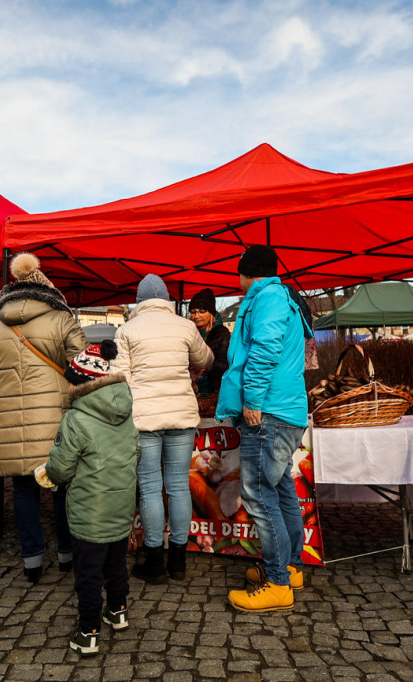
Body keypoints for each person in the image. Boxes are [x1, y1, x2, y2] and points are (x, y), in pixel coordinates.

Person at [216, 245, 308, 612]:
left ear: (246, 273)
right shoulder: (282, 296)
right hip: (284, 411)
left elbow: (265, 350)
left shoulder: (267, 297)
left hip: (268, 411)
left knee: (257, 493)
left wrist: (252, 399)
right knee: (281, 487)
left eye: (239, 275)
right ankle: (290, 566)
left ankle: (277, 583)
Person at [35, 341, 139, 657]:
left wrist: (46, 473)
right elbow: (135, 451)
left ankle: (89, 631)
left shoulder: (76, 419)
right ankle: (118, 612)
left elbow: (62, 467)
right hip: (121, 506)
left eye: (70, 378)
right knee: (116, 565)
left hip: (89, 513)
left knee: (89, 574)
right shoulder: (125, 414)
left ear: (81, 383)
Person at [0, 253, 87, 583]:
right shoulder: (60, 317)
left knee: (23, 489)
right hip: (54, 416)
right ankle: (66, 554)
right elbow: (83, 365)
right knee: (60, 485)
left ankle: (31, 560)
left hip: (11, 416)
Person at [112, 274, 213, 584]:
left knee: (151, 486)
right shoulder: (185, 326)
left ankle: (154, 562)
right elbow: (206, 359)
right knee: (180, 485)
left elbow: (119, 377)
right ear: (167, 300)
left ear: (140, 302)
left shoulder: (126, 329)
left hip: (144, 419)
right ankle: (179, 562)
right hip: (182, 416)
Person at [188, 288, 231, 396]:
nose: (196, 316)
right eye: (193, 312)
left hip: (213, 392)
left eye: (202, 312)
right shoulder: (187, 331)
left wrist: (207, 366)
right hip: (189, 391)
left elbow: (226, 364)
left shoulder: (221, 333)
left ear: (211, 313)